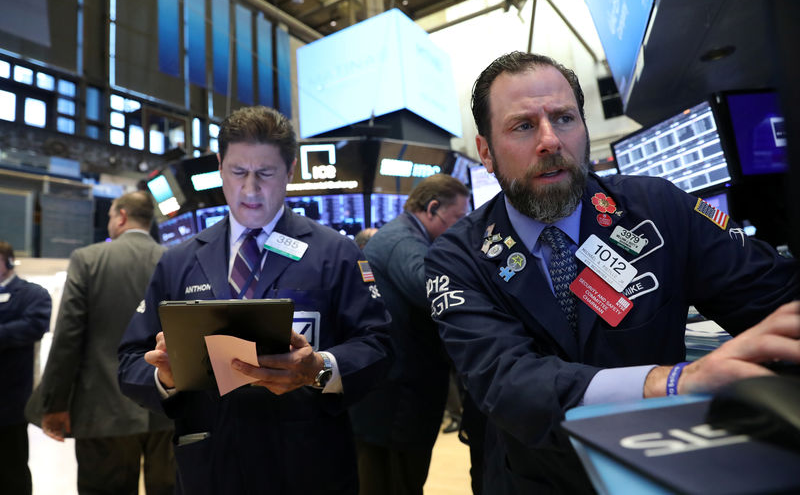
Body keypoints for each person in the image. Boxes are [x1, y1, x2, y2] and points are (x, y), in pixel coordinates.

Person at [424, 52, 800, 494]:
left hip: (663, 467)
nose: (550, 141)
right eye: (523, 126)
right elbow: (508, 381)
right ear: (485, 151)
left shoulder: (657, 209)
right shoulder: (457, 256)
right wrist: (675, 380)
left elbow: (772, 297)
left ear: (583, 130)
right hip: (535, 478)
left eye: (564, 118)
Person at [118, 105, 392, 495]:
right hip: (209, 467)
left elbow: (379, 345)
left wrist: (318, 368)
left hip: (307, 466)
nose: (250, 189)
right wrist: (165, 377)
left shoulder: (336, 252)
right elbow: (130, 360)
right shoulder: (179, 260)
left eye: (265, 173)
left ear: (290, 171)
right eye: (238, 172)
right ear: (219, 166)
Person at [35, 191, 174, 495]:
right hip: (169, 407)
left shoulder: (88, 259)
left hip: (103, 411)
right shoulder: (175, 259)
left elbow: (68, 337)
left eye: (110, 216)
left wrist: (55, 404)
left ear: (121, 216)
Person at [349, 173, 469, 495]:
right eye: (458, 218)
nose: (461, 227)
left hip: (394, 397)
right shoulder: (403, 241)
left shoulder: (402, 235)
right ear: (432, 209)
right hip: (395, 402)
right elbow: (433, 292)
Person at [0, 241, 51, 495]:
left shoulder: (34, 294)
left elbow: (33, 326)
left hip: (12, 399)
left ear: (8, 262)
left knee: (12, 466)